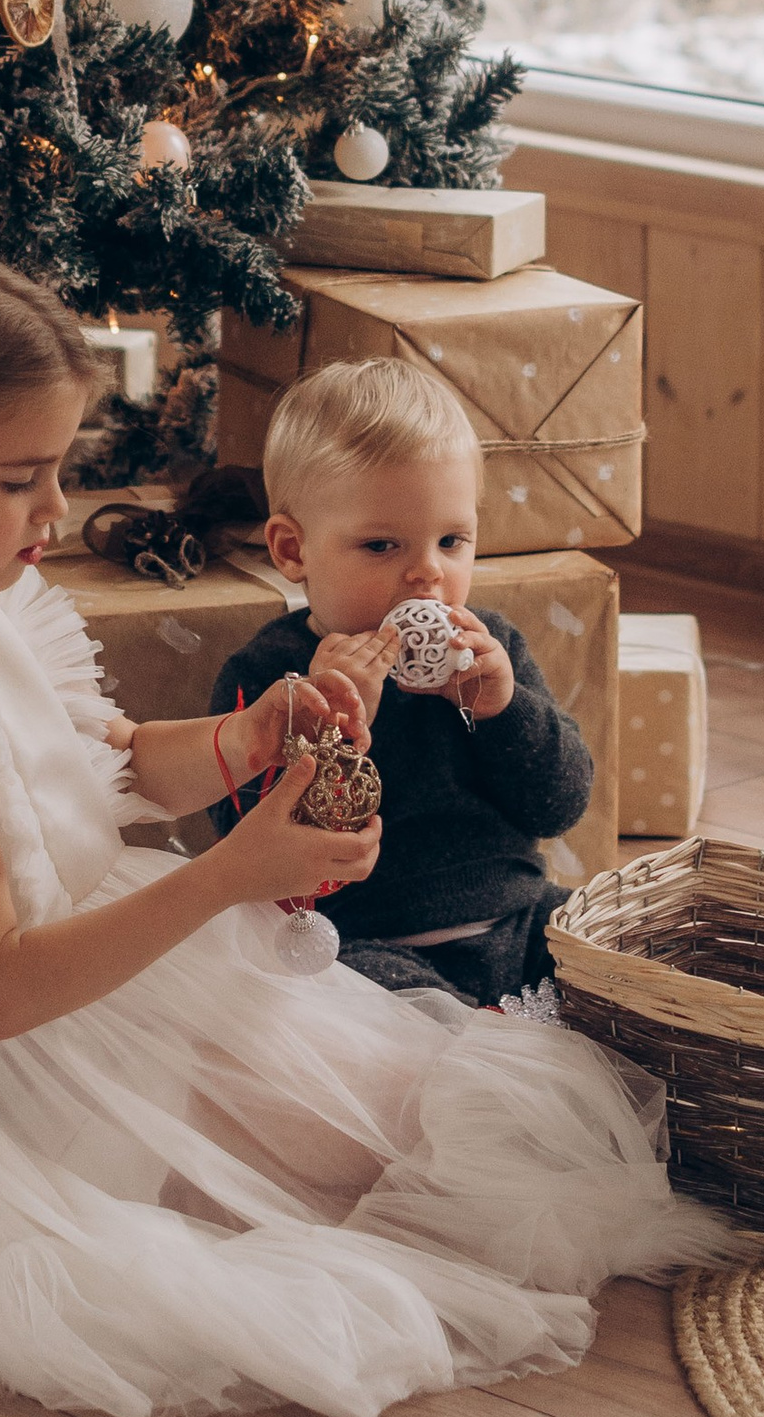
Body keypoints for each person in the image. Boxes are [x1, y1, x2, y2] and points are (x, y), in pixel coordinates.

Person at [0, 237, 730, 1417]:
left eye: (56, 469)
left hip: (100, 966)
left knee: (423, 1111)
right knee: (389, 1172)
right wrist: (235, 872)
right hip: (12, 1050)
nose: (58, 508)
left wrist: (252, 733)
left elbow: (106, 757)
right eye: (21, 478)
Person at [210, 358, 588, 1008]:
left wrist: (505, 708)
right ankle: (475, 1046)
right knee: (354, 998)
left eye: (451, 540)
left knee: (604, 940)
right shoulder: (271, 678)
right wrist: (333, 729)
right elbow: (257, 858)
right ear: (293, 550)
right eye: (383, 546)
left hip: (519, 921)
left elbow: (559, 805)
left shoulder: (489, 649)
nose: (428, 574)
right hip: (368, 941)